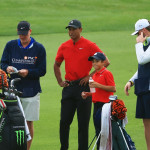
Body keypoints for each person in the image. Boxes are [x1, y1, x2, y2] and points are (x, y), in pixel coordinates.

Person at [54, 19, 110, 150]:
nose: (71, 32)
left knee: (83, 124)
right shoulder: (64, 46)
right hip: (68, 87)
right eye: (69, 29)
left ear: (80, 30)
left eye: (74, 29)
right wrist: (60, 81)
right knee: (64, 122)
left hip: (84, 87)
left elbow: (106, 61)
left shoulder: (89, 45)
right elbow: (57, 64)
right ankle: (64, 148)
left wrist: (89, 76)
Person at [0, 21, 46, 150]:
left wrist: (28, 72)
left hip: (31, 90)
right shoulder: (10, 45)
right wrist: (7, 67)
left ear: (30, 31)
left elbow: (42, 70)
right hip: (11, 90)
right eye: (20, 34)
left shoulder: (39, 48)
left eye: (24, 34)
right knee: (8, 121)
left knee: (27, 122)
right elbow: (2, 63)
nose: (22, 37)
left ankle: (26, 148)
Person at [124, 19, 150, 150]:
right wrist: (131, 81)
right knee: (147, 124)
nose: (137, 38)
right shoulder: (146, 44)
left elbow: (142, 59)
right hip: (145, 89)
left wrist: (139, 44)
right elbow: (142, 66)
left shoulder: (143, 45)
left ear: (143, 31)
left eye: (137, 34)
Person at [81, 52, 116, 150]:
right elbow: (95, 92)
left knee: (105, 131)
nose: (94, 64)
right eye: (93, 62)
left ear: (103, 62)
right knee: (98, 130)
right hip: (96, 105)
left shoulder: (107, 73)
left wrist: (97, 85)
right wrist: (87, 94)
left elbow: (113, 88)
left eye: (97, 61)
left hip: (105, 106)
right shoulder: (94, 75)